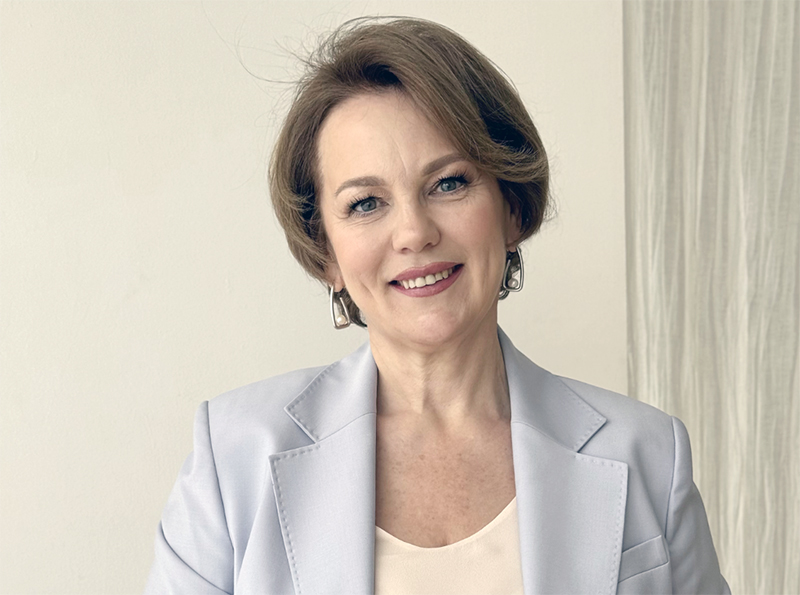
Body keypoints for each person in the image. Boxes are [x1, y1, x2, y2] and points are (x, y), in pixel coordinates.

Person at [145, 17, 729, 595]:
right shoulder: (232, 458)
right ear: (326, 252)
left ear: (511, 208)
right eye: (366, 203)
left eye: (448, 183)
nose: (414, 233)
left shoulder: (649, 457)